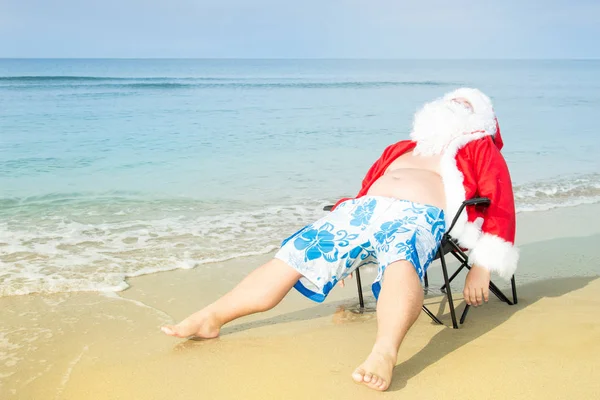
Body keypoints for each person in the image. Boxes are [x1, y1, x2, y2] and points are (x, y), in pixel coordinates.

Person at [161, 88, 519, 392]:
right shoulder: (402, 146)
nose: (454, 104)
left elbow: (499, 202)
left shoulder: (479, 148)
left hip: (417, 216)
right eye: (451, 100)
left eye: (466, 104)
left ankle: (384, 351)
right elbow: (366, 187)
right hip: (361, 213)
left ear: (482, 120)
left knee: (400, 260)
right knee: (295, 254)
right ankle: (212, 318)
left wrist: (481, 266)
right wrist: (350, 247)